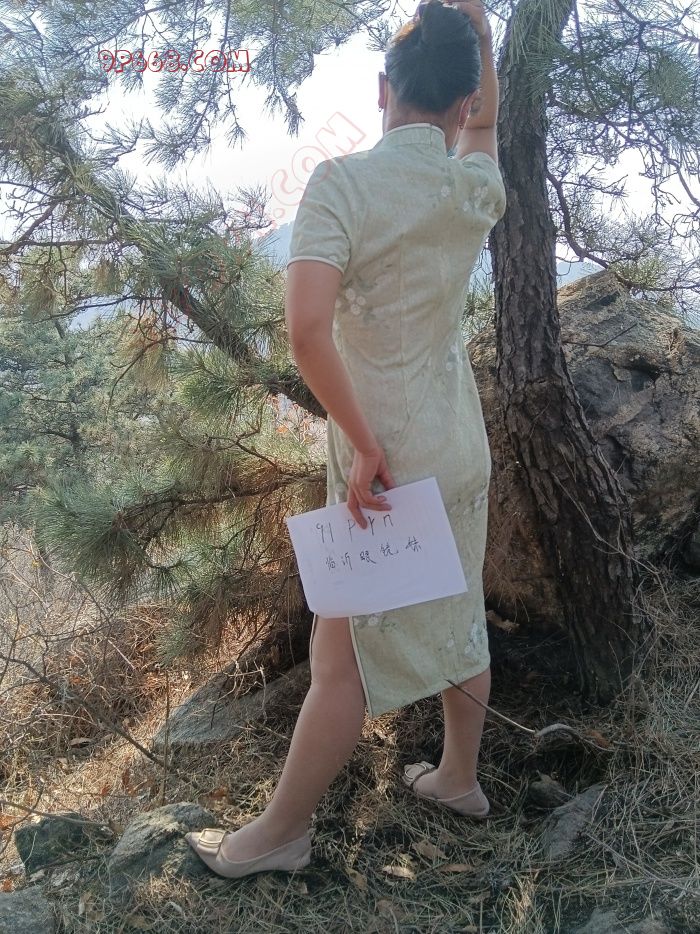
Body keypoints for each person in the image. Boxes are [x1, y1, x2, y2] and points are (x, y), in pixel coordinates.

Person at [186, 0, 506, 878]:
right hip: (458, 446)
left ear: (381, 89)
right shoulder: (471, 189)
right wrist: (480, 34)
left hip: (385, 467)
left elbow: (305, 331)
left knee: (340, 657)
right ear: (462, 103)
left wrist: (361, 445)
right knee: (460, 614)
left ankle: (280, 835)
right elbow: (484, 129)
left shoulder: (342, 185)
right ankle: (458, 778)